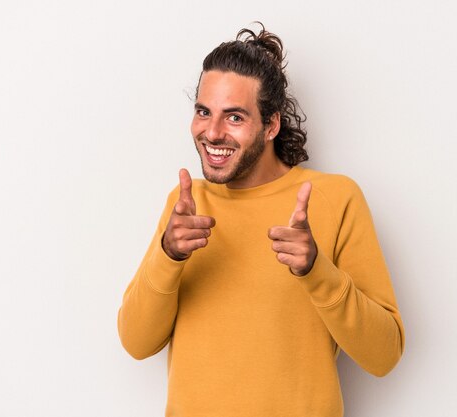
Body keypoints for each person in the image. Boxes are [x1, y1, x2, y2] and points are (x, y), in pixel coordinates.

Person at [118, 22, 404, 417]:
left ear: (271, 125)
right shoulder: (187, 205)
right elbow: (136, 342)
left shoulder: (335, 199)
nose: (212, 132)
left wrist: (316, 271)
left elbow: (384, 355)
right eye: (203, 111)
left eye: (234, 117)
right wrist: (169, 256)